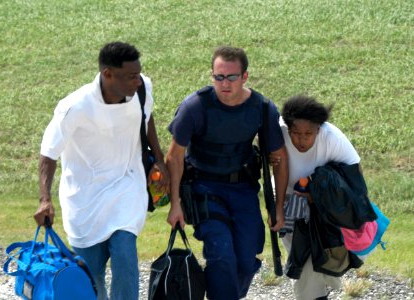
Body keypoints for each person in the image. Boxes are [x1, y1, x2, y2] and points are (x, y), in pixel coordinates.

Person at [33, 41, 169, 300]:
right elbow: (48, 153)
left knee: (125, 255)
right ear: (107, 74)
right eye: (131, 76)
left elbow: (146, 119)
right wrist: (45, 199)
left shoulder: (142, 89)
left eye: (138, 74)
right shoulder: (75, 106)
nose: (137, 81)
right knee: (90, 281)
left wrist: (159, 160)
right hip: (85, 201)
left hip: (127, 188)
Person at [166, 46, 288, 300]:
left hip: (243, 189)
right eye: (218, 77)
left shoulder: (263, 108)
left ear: (244, 77)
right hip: (203, 188)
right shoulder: (195, 107)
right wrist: (175, 204)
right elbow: (174, 156)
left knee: (245, 258)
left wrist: (278, 207)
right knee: (221, 254)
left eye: (231, 77)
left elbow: (279, 158)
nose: (224, 84)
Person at [270, 95, 361, 300]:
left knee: (318, 258)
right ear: (288, 128)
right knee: (303, 258)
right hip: (287, 202)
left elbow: (356, 177)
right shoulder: (278, 132)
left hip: (324, 206)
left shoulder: (332, 138)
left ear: (319, 129)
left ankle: (318, 290)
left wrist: (319, 195)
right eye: (296, 134)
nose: (301, 140)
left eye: (308, 134)